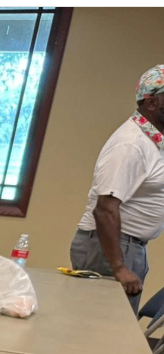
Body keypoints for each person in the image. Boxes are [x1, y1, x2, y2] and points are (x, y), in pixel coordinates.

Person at [71, 64, 164, 313]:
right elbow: (104, 209)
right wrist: (119, 267)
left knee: (112, 327)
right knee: (101, 326)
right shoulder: (131, 144)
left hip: (129, 247)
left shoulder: (153, 142)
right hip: (111, 249)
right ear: (152, 103)